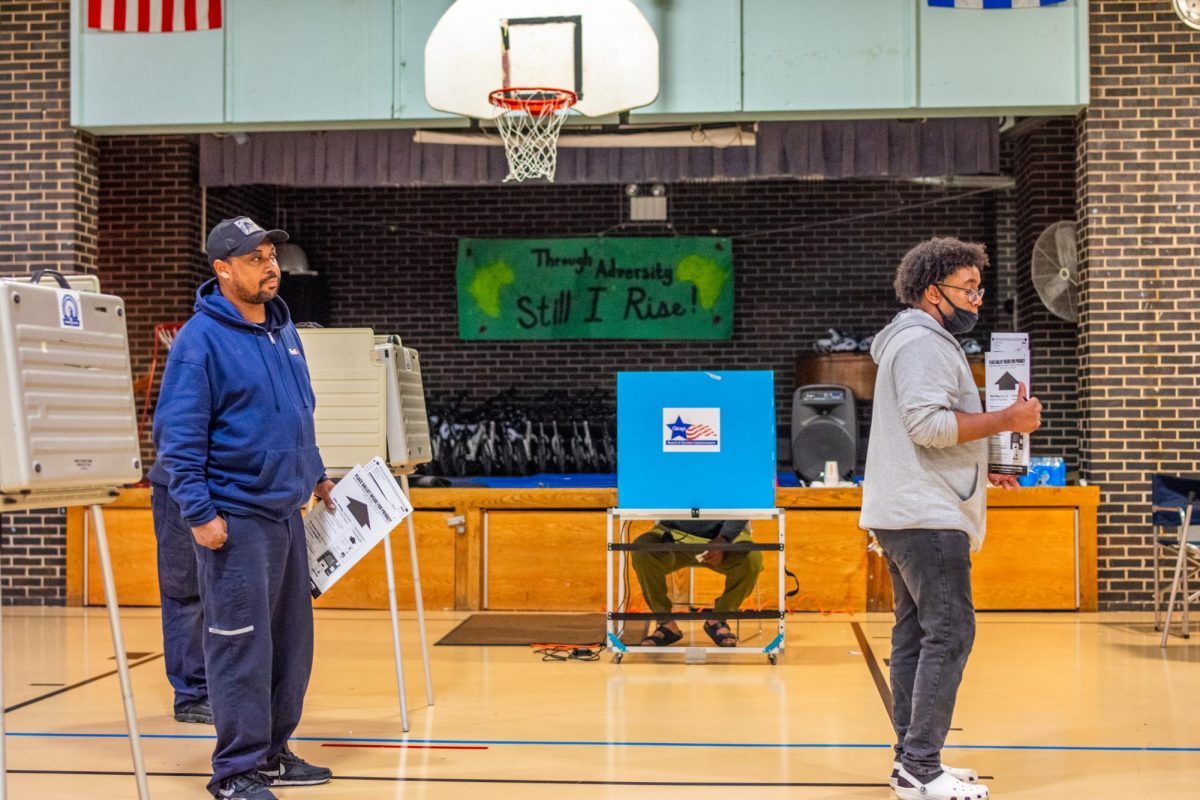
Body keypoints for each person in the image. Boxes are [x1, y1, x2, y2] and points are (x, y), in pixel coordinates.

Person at [154, 216, 337, 800]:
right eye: (254, 258)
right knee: (240, 647)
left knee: (289, 646)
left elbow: (296, 415)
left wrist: (315, 472)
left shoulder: (283, 331)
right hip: (235, 522)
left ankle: (275, 753)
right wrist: (201, 515)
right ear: (223, 270)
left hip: (286, 517)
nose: (269, 265)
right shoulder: (199, 341)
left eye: (270, 255)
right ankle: (235, 772)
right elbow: (178, 440)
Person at [860, 237, 1041, 800]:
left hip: (907, 511)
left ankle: (910, 762)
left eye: (978, 288)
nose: (977, 299)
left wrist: (982, 461)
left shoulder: (909, 341)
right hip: (927, 516)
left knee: (916, 636)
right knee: (951, 633)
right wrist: (1007, 418)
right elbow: (929, 427)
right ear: (931, 291)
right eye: (967, 289)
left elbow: (933, 432)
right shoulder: (923, 344)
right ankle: (920, 765)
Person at [146, 464, 211, 725]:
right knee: (185, 591)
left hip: (222, 488)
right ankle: (192, 696)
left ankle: (221, 692)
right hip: (181, 489)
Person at [631, 519, 761, 647]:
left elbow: (741, 508)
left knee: (751, 558)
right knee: (642, 550)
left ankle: (718, 617)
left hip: (724, 537)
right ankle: (666, 623)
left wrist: (724, 539)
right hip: (672, 533)